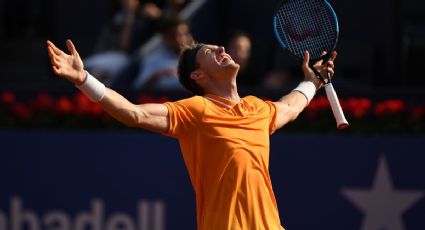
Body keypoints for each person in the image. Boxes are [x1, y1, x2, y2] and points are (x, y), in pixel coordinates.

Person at [47, 38, 337, 230]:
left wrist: (311, 83)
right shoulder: (197, 110)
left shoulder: (257, 109)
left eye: (221, 49)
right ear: (198, 76)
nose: (223, 50)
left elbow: (289, 107)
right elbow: (134, 113)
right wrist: (84, 80)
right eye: (211, 52)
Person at [132, 16, 193, 90]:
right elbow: (138, 86)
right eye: (173, 35)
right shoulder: (153, 59)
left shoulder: (198, 58)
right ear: (164, 37)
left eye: (184, 34)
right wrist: (158, 75)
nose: (179, 39)